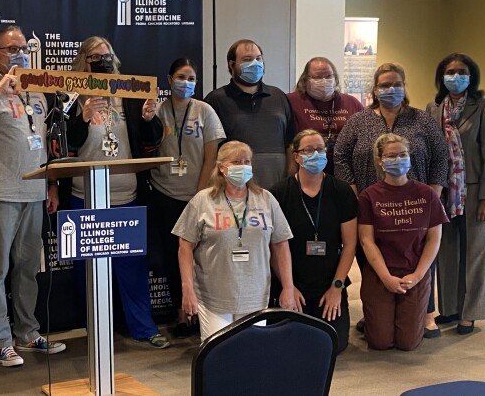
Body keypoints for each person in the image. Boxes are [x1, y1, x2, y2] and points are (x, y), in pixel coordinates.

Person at [0, 25, 63, 367]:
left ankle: (27, 332)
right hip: (1, 193)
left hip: (34, 192)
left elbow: (45, 141)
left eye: (22, 48)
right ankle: (0, 340)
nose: (19, 53)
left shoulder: (36, 89)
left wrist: (51, 184)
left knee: (27, 269)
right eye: (11, 49)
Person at [65, 36, 170, 349]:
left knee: (132, 269)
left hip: (126, 194)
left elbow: (151, 143)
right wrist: (81, 119)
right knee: (87, 270)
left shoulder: (131, 92)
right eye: (96, 57)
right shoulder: (71, 94)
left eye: (107, 55)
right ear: (84, 61)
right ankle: (97, 331)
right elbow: (61, 142)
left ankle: (142, 327)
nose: (103, 61)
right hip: (85, 194)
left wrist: (151, 120)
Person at [334, 62, 448, 337]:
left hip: (414, 204)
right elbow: (340, 155)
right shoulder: (359, 120)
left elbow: (441, 157)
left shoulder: (422, 120)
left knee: (418, 257)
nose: (391, 89)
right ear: (375, 89)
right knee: (371, 257)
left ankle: (424, 313)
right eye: (385, 85)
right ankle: (378, 312)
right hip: (371, 204)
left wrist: (432, 196)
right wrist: (353, 195)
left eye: (397, 84)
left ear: (404, 86)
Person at [173, 141, 296, 340]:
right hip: (213, 296)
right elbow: (185, 246)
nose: (243, 166)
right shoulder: (202, 200)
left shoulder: (266, 199)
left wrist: (288, 287)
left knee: (250, 354)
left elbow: (281, 245)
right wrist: (187, 289)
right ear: (222, 167)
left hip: (255, 296)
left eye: (247, 161)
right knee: (219, 355)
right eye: (236, 161)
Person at [426, 53, 485, 335]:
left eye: (461, 71)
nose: (455, 76)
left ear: (471, 76)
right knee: (446, 251)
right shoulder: (433, 109)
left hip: (473, 191)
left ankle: (469, 313)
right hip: (443, 191)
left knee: (475, 253)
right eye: (450, 71)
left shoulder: (484, 107)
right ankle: (450, 308)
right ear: (441, 76)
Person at [149, 58, 225, 338]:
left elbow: (211, 157)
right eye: (181, 77)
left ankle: (203, 310)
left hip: (198, 195)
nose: (187, 82)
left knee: (202, 257)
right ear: (169, 80)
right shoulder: (158, 109)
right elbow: (148, 145)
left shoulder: (205, 110)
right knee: (172, 257)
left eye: (191, 77)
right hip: (164, 192)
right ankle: (182, 313)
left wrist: (200, 195)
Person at [269, 130, 357, 353]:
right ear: (296, 156)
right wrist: (288, 287)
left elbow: (350, 244)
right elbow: (273, 246)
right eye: (308, 150)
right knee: (289, 345)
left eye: (320, 149)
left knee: (334, 345)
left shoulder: (342, 191)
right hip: (292, 283)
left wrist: (337, 287)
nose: (315, 154)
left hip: (329, 283)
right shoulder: (279, 193)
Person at [357, 134, 447, 351]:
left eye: (403, 154)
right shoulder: (369, 196)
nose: (398, 159)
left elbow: (434, 239)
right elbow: (366, 241)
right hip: (381, 273)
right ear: (380, 161)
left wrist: (417, 276)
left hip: (414, 272)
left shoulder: (427, 194)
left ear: (410, 157)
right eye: (391, 156)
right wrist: (386, 278)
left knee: (408, 343)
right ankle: (376, 319)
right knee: (380, 342)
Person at [204, 39, 293, 189]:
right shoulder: (216, 100)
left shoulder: (279, 96)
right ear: (231, 65)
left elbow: (290, 141)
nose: (255, 63)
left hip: (278, 186)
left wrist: (291, 175)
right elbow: (209, 152)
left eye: (258, 59)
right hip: (233, 187)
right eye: (247, 60)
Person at [287, 57, 363, 175]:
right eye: (317, 77)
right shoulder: (291, 101)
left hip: (344, 171)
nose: (323, 81)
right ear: (305, 79)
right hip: (305, 171)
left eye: (328, 76)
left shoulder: (352, 103)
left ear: (335, 78)